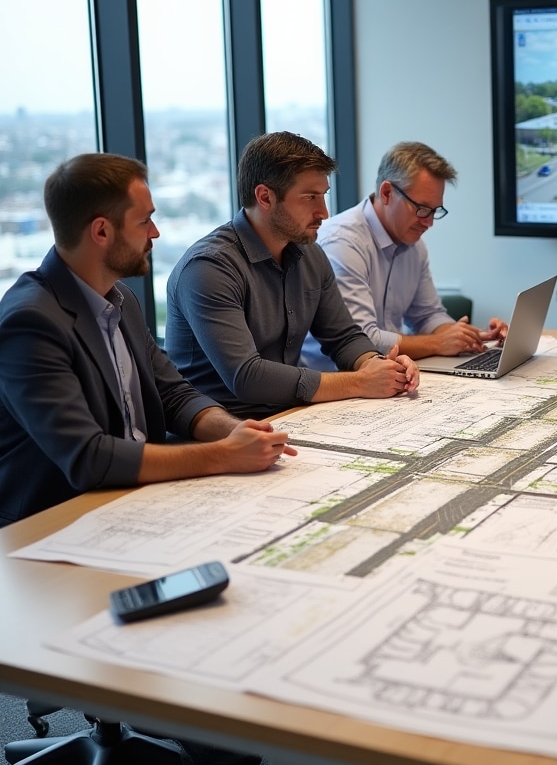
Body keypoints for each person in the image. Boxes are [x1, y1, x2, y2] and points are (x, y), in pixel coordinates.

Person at [0, 153, 297, 528]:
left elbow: (173, 394)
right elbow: (88, 457)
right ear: (101, 232)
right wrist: (224, 454)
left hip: (138, 499)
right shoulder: (30, 322)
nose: (155, 233)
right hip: (55, 521)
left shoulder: (120, 298)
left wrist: (233, 430)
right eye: (144, 221)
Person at [165, 131, 418, 420]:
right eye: (310, 197)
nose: (323, 212)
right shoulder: (208, 268)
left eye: (323, 196)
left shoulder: (310, 254)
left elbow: (343, 336)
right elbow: (248, 378)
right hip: (222, 428)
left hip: (290, 415)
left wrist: (377, 365)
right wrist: (359, 382)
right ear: (265, 197)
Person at [301, 141, 507, 370]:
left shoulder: (414, 245)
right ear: (387, 193)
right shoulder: (343, 243)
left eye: (435, 211)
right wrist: (438, 343)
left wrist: (473, 337)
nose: (429, 223)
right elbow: (362, 339)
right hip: (336, 379)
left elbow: (427, 315)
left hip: (388, 373)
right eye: (422, 208)